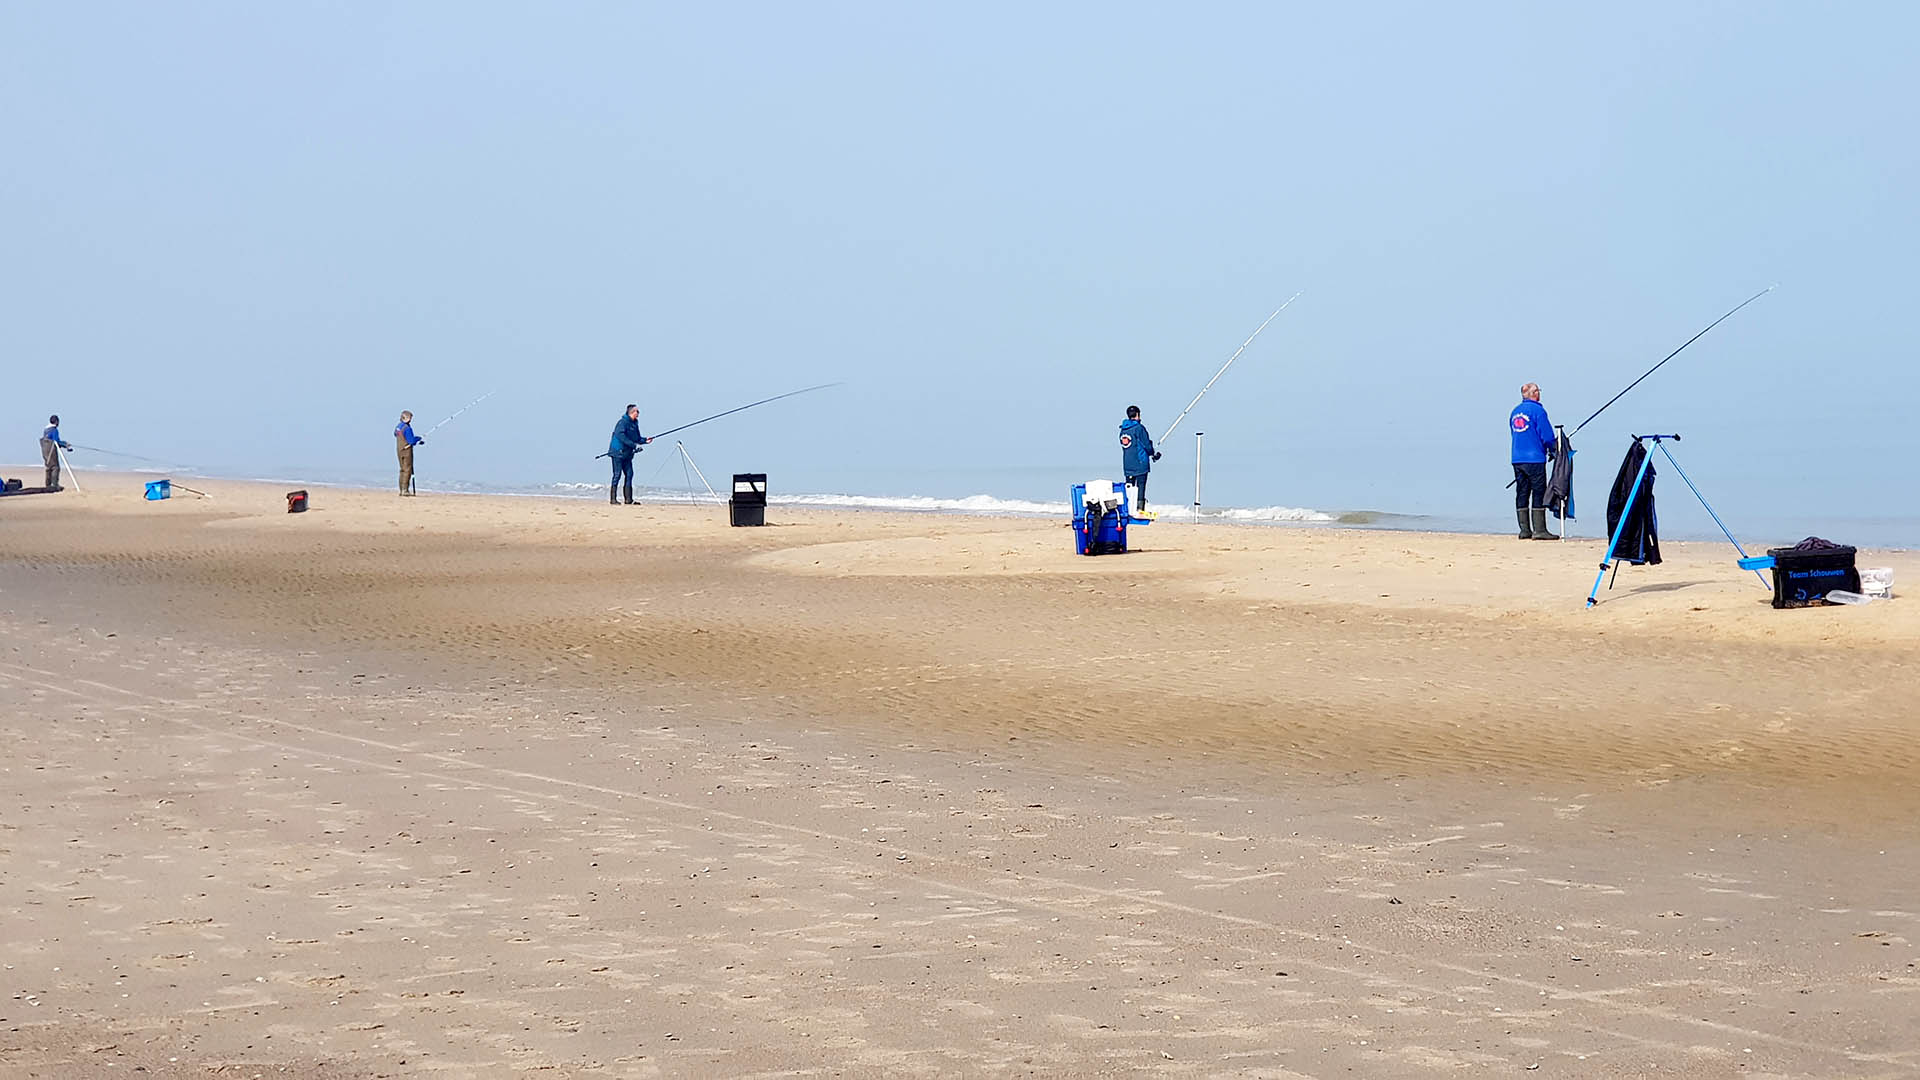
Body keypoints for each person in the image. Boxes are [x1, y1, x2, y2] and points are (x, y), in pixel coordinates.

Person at [1509, 382, 1558, 540]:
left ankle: (1524, 530)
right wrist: (1553, 449)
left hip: (1517, 458)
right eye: (1538, 391)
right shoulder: (1538, 411)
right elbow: (1547, 436)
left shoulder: (1515, 412)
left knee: (1522, 491)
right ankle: (1539, 530)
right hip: (1534, 458)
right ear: (1535, 393)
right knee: (1538, 491)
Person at [1118, 405, 1161, 514]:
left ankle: (1128, 510)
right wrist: (1153, 453)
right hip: (1140, 464)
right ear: (1137, 414)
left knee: (1129, 488)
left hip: (1128, 464)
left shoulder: (1123, 430)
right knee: (1140, 487)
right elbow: (1146, 445)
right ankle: (1140, 510)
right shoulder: (1139, 428)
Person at [608, 404, 649, 505]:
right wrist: (633, 445)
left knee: (629, 474)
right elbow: (620, 435)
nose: (638, 414)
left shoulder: (634, 424)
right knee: (617, 475)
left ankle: (628, 499)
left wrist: (645, 440)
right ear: (631, 412)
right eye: (637, 412)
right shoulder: (622, 423)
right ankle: (613, 499)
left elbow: (636, 438)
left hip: (627, 454)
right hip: (617, 452)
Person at [394, 411, 425, 495]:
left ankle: (401, 489)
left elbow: (395, 434)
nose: (411, 420)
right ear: (406, 418)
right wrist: (418, 439)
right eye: (410, 418)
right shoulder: (407, 428)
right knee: (407, 469)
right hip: (406, 451)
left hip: (399, 450)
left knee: (402, 469)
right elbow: (411, 441)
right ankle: (405, 490)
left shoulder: (398, 427)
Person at [40, 415, 72, 489]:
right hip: (51, 450)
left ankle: (48, 484)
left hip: (45, 451)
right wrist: (65, 444)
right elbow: (56, 441)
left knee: (48, 467)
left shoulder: (46, 430)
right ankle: (54, 485)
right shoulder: (54, 430)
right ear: (56, 422)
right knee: (55, 467)